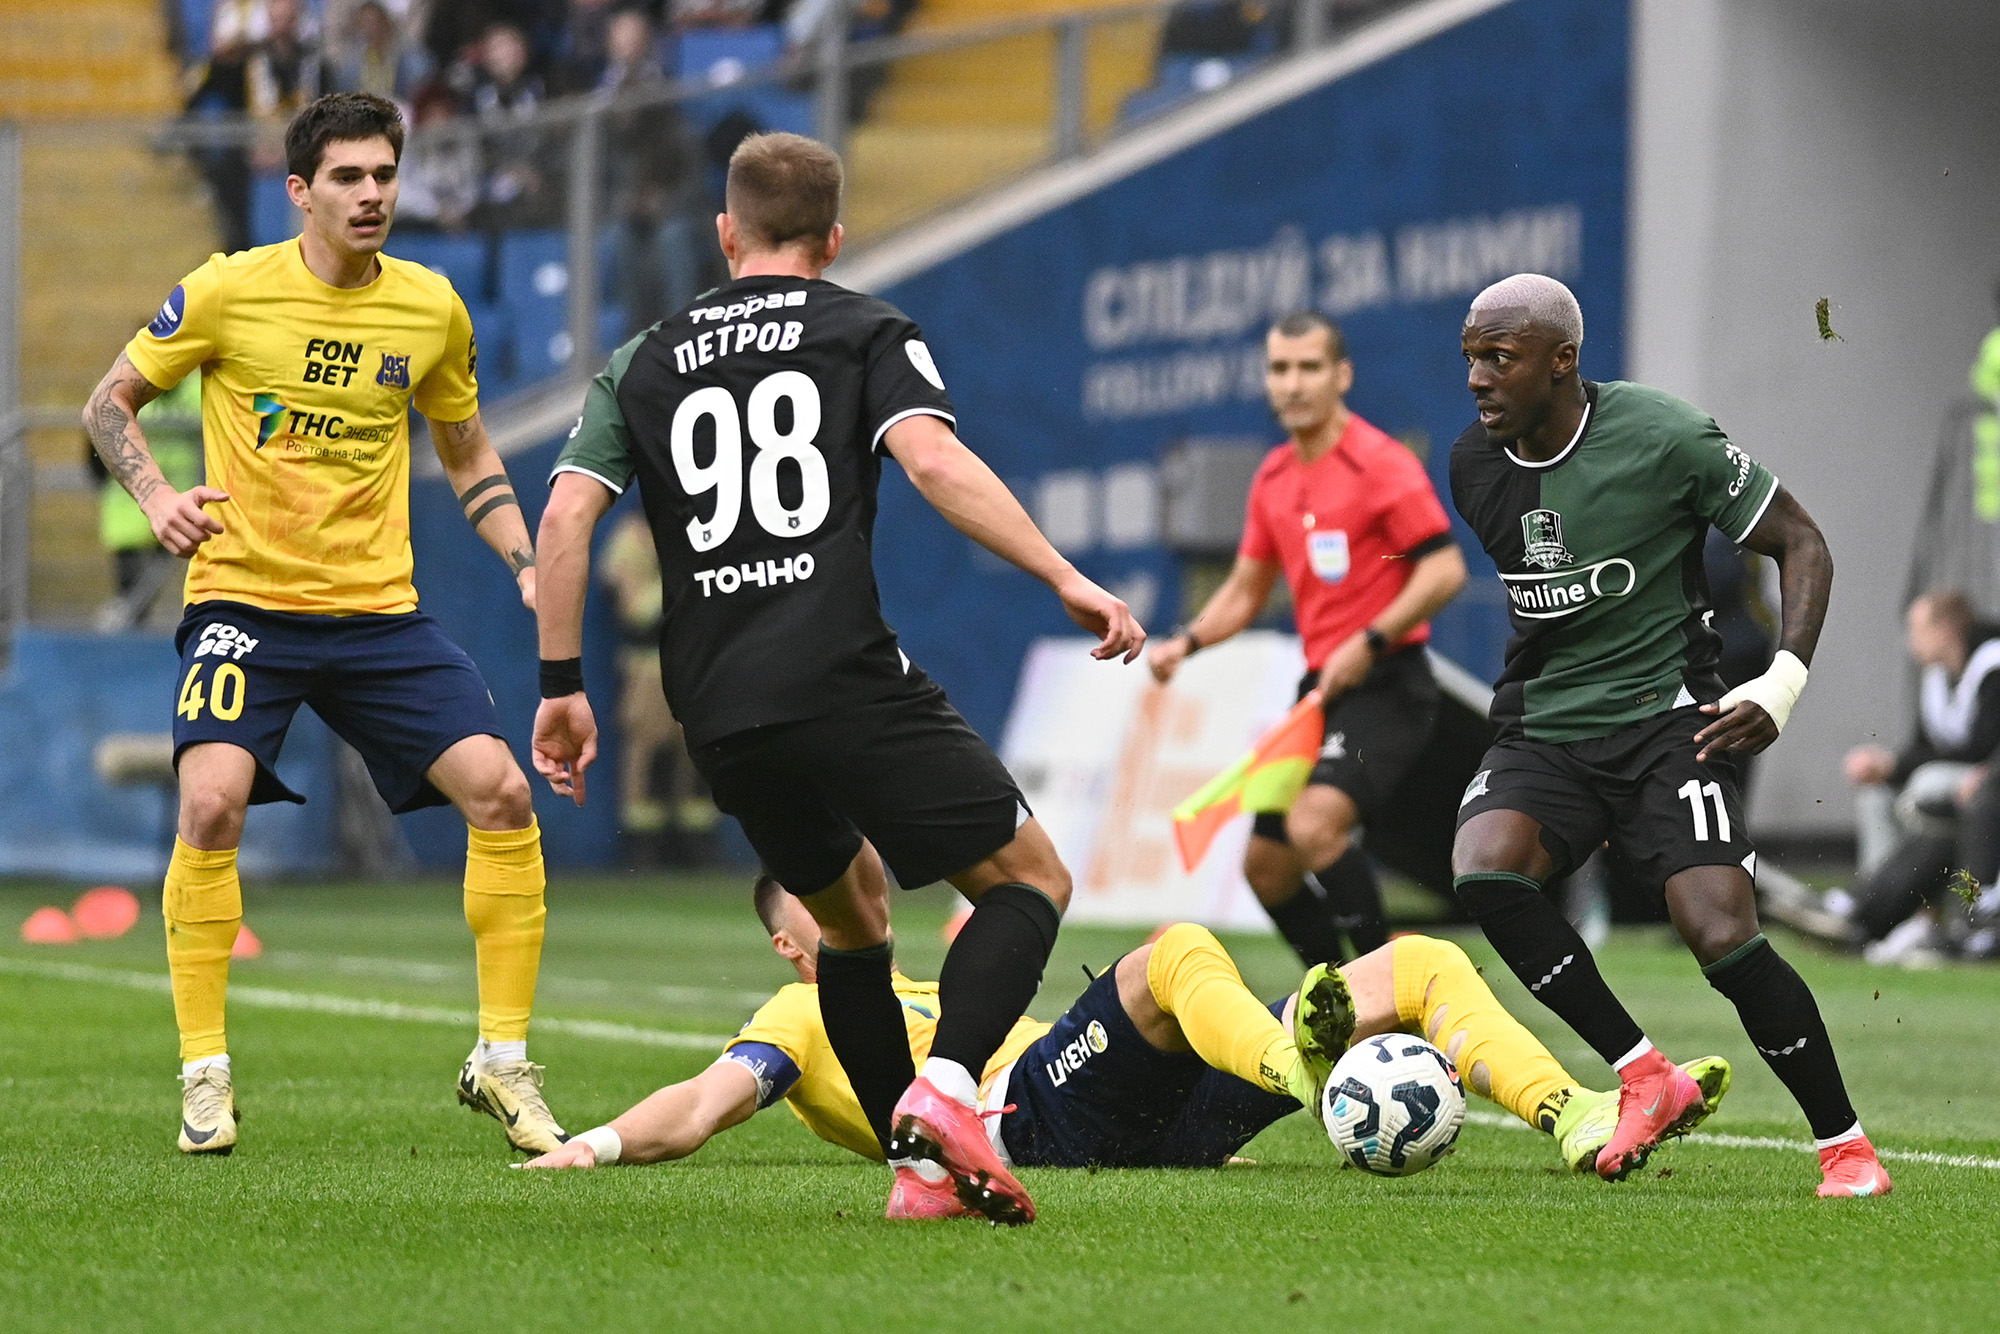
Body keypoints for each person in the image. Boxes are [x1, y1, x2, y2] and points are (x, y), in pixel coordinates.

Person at [530, 131, 1145, 1224]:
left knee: (854, 920)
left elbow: (566, 517)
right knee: (1029, 881)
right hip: (837, 670)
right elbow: (935, 461)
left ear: (725, 234)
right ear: (835, 238)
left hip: (716, 704)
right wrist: (1064, 575)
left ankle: (918, 1176)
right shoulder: (865, 330)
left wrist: (561, 685)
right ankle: (945, 1093)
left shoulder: (643, 359)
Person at [82, 92, 564, 1158]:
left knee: (501, 792)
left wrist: (526, 561)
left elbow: (467, 449)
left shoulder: (430, 308)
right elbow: (107, 402)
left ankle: (502, 1061)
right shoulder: (226, 289)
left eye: (385, 174)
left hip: (377, 614)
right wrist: (157, 495)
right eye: (348, 176)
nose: (371, 194)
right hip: (245, 603)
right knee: (211, 801)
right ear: (299, 190)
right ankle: (204, 1071)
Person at [1447, 272, 1889, 1198]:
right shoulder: (1474, 467)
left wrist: (1782, 682)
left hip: (1670, 723)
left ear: (1562, 361)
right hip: (1546, 725)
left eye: (1500, 357)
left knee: (1720, 933)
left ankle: (1847, 1150)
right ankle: (1646, 1075)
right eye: (1471, 358)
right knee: (1486, 871)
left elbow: (1802, 541)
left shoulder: (1664, 436)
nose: (1479, 378)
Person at [521, 875, 1733, 1193]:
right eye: (827, 896)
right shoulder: (803, 1010)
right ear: (795, 943)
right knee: (1168, 954)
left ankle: (1575, 1114)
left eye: (856, 873)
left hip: (1143, 1113)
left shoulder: (945, 982)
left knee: (1419, 961)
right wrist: (596, 1142)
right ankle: (1292, 1059)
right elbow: (707, 1099)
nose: (859, 888)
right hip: (1029, 1126)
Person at [1149, 311, 1467, 965]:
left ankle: (1384, 989)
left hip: (1388, 682)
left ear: (1341, 375)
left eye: (1308, 368)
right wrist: (1187, 641)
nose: (1292, 384)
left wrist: (1370, 640)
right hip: (1320, 693)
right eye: (1279, 369)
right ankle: (1338, 994)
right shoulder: (1273, 477)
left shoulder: (1380, 463)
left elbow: (1444, 570)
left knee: (1313, 825)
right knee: (1266, 867)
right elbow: (1245, 591)